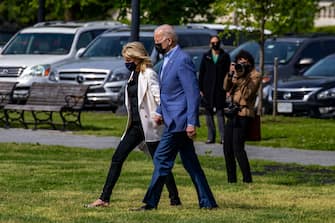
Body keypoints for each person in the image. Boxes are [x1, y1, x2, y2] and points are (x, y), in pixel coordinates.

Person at [131, 25, 218, 211]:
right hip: (171, 120)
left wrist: (192, 122)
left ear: (169, 41)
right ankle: (208, 202)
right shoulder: (169, 60)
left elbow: (192, 94)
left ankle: (150, 203)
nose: (156, 46)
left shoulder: (182, 60)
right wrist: (161, 112)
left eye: (158, 42)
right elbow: (168, 94)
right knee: (191, 164)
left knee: (161, 160)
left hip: (178, 123)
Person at [85, 42, 181, 208]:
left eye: (129, 59)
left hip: (150, 126)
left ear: (137, 58)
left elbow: (159, 97)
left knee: (160, 163)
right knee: (117, 158)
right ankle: (104, 198)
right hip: (135, 126)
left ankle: (175, 199)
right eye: (125, 59)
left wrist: (161, 115)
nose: (126, 62)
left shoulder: (149, 74)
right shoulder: (133, 75)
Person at [223, 50, 261, 183]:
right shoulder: (235, 73)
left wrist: (241, 78)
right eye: (239, 62)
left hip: (244, 114)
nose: (241, 65)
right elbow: (225, 87)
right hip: (232, 113)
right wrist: (230, 74)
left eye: (244, 62)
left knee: (238, 147)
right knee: (227, 147)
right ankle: (231, 179)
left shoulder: (255, 75)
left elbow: (247, 95)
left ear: (250, 63)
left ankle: (247, 179)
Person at [199, 35, 231, 144]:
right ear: (210, 44)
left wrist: (228, 89)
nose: (215, 44)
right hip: (208, 89)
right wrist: (201, 88)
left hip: (220, 89)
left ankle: (223, 137)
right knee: (208, 113)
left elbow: (228, 74)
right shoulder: (206, 56)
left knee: (220, 113)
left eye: (216, 42)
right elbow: (202, 72)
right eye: (213, 42)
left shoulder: (225, 56)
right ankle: (210, 136)